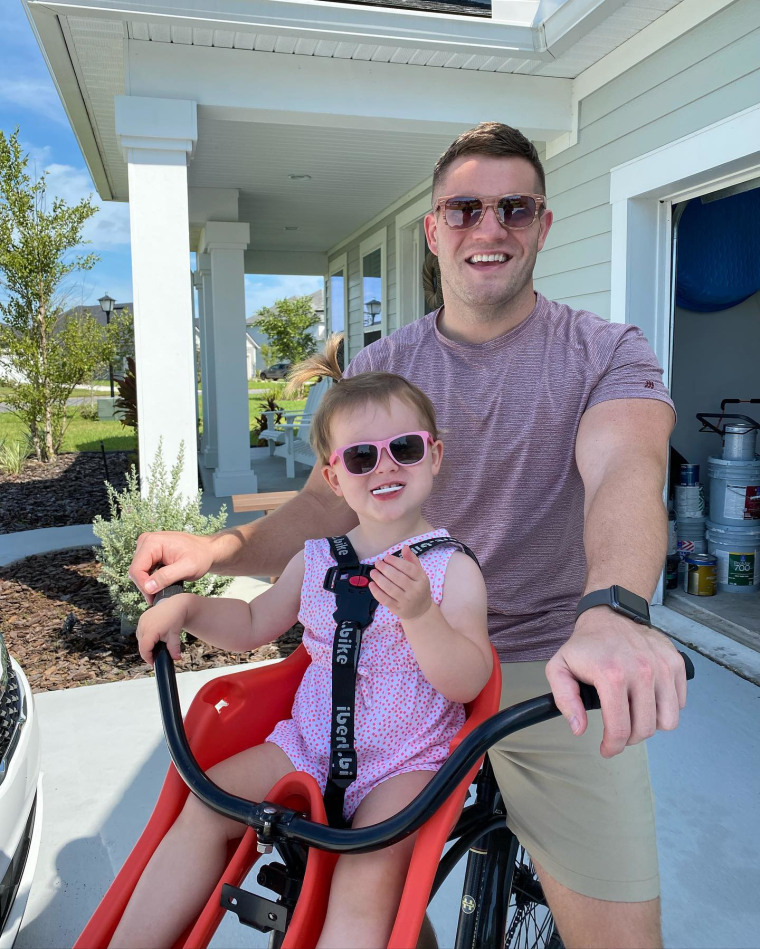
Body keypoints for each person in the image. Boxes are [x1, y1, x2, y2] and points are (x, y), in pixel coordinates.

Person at [130, 122, 685, 949]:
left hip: (548, 664)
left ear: (543, 224)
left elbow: (627, 470)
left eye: (514, 208)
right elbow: (330, 506)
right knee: (341, 882)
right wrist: (221, 555)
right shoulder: (385, 366)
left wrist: (611, 609)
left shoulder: (605, 351)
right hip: (382, 660)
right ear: (433, 230)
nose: (489, 227)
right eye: (464, 208)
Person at [110, 355, 491, 949]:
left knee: (366, 876)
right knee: (207, 802)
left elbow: (469, 681)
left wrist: (420, 617)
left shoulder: (450, 569)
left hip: (405, 761)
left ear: (434, 457)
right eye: (361, 456)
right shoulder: (315, 559)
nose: (384, 466)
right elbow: (253, 621)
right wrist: (188, 608)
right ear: (335, 479)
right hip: (307, 743)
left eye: (406, 449)